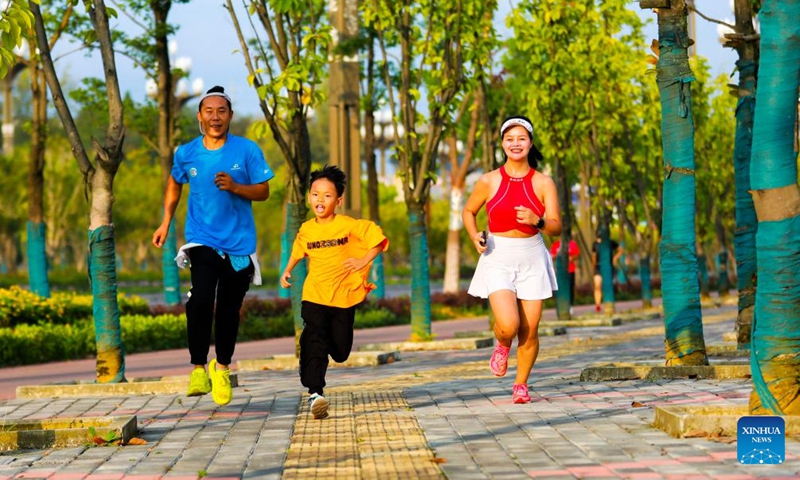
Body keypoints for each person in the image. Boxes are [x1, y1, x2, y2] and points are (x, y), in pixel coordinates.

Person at [152, 85, 275, 406]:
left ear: (230, 116)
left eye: (221, 111)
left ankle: (221, 368)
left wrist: (236, 186)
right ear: (199, 116)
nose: (215, 117)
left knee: (230, 310)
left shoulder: (246, 150)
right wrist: (166, 222)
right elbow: (174, 184)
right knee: (201, 299)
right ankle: (197, 367)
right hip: (201, 239)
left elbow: (264, 191)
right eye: (209, 111)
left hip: (238, 245)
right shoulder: (186, 152)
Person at [462, 115, 561, 404]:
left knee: (530, 331)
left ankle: (521, 384)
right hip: (498, 255)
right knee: (509, 324)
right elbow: (469, 211)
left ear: (530, 143)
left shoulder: (544, 183)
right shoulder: (488, 180)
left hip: (533, 255)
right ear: (502, 143)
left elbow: (556, 227)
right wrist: (473, 236)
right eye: (509, 138)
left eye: (521, 138)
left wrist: (538, 220)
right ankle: (502, 343)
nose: (515, 144)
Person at [280, 165, 388, 420]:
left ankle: (325, 352)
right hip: (315, 293)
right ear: (309, 197)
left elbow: (378, 238)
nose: (320, 199)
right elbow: (298, 248)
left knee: (340, 351)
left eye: (327, 195)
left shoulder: (348, 225)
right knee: (313, 337)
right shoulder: (307, 229)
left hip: (343, 297)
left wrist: (363, 260)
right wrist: (288, 270)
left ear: (338, 201)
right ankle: (315, 392)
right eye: (316, 194)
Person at [591, 236, 623, 312]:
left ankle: (608, 303)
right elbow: (594, 257)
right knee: (597, 285)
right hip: (598, 266)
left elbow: (621, 250)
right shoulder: (595, 244)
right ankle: (598, 305)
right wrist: (593, 267)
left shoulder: (610, 242)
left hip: (608, 266)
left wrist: (615, 258)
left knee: (607, 285)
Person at [550, 238, 580, 307]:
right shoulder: (556, 245)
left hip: (570, 269)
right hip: (559, 271)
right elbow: (552, 256)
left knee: (570, 288)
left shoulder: (572, 244)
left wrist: (571, 258)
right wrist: (557, 255)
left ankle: (570, 305)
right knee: (559, 289)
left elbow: (577, 254)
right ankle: (561, 305)